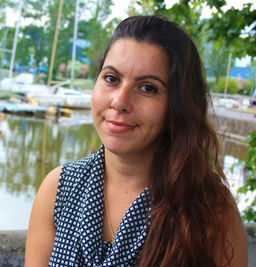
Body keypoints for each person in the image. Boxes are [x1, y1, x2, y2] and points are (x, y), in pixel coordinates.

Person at [25, 16, 248, 266]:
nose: (120, 101)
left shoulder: (210, 208)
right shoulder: (58, 190)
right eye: (111, 78)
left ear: (178, 107)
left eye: (148, 88)